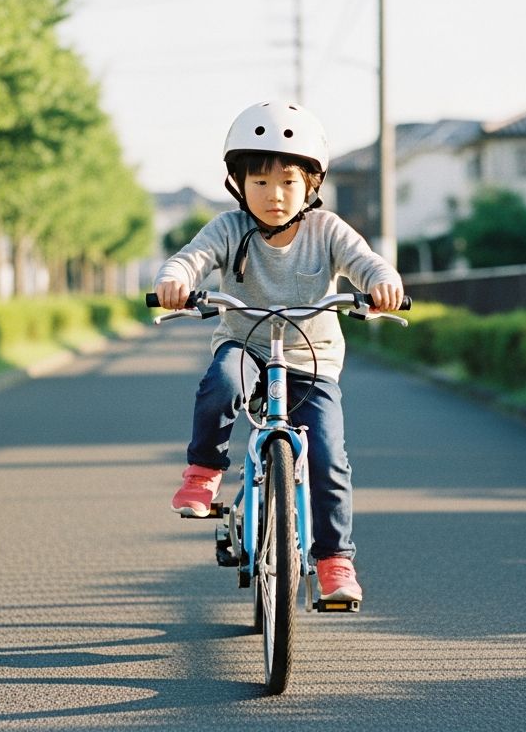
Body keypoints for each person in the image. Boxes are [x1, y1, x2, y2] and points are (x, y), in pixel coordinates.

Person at [154, 101, 404, 604]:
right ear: (238, 184)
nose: (274, 195)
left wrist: (383, 283)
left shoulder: (327, 230)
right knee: (220, 384)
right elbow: (191, 260)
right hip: (244, 346)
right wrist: (174, 281)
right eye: (261, 182)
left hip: (312, 359)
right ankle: (203, 474)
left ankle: (335, 562)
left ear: (311, 185)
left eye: (289, 182)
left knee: (329, 458)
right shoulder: (228, 229)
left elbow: (366, 262)